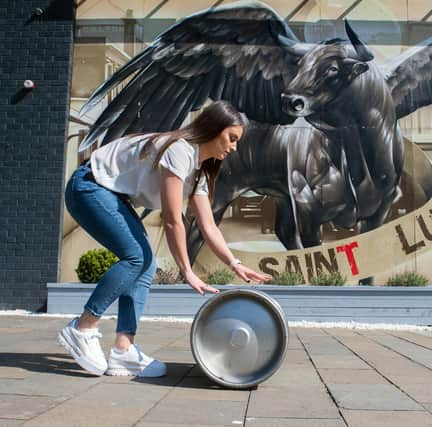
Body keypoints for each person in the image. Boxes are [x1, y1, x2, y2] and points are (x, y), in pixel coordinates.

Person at [57, 100, 272, 377]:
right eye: (231, 139)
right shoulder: (179, 150)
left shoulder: (199, 172)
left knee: (145, 264)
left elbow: (208, 225)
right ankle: (83, 327)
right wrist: (187, 271)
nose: (233, 148)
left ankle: (123, 350)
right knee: (136, 256)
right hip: (88, 186)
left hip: (109, 195)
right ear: (213, 128)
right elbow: (173, 220)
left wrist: (234, 263)